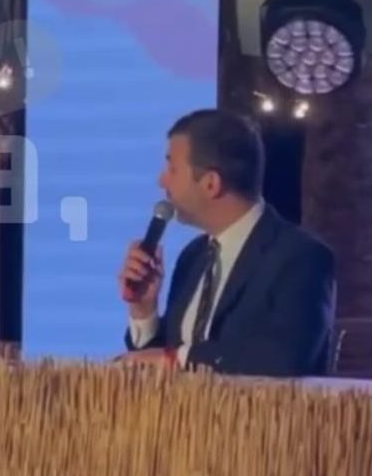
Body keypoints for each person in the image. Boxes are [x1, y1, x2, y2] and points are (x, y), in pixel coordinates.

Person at [117, 108, 335, 377]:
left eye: (172, 169)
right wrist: (143, 310)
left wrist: (178, 359)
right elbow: (161, 361)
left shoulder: (301, 257)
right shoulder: (193, 255)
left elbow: (285, 358)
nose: (162, 181)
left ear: (211, 184)